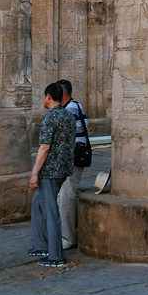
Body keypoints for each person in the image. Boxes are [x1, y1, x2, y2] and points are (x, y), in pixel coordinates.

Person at [28, 82, 75, 267]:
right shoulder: (69, 116)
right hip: (61, 169)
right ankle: (41, 244)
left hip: (49, 171)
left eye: (43, 96)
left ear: (48, 97)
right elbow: (71, 144)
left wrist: (34, 173)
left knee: (51, 211)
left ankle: (55, 255)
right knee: (37, 203)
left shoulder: (50, 118)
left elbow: (45, 147)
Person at [55, 79, 88, 251]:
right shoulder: (74, 106)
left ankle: (68, 237)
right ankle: (65, 233)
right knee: (63, 195)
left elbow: (70, 139)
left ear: (64, 93)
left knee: (66, 195)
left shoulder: (71, 109)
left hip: (71, 159)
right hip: (71, 157)